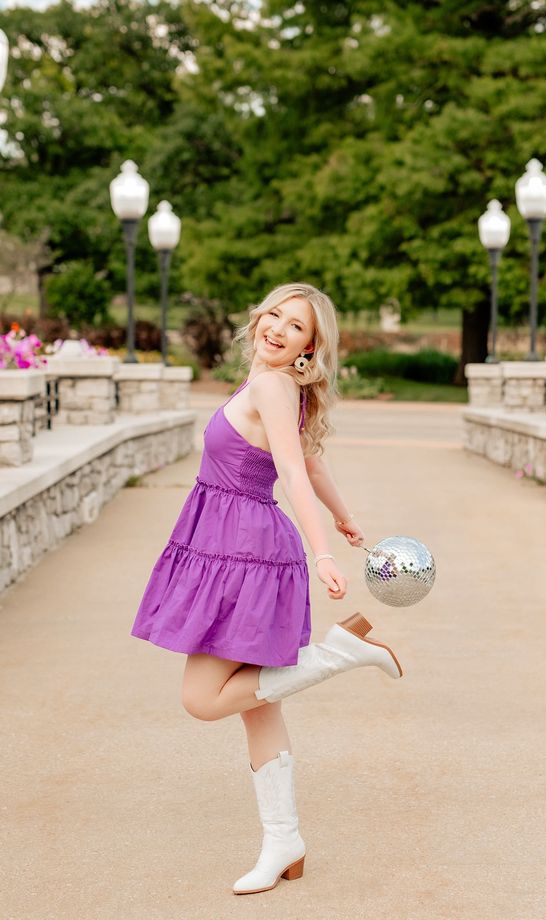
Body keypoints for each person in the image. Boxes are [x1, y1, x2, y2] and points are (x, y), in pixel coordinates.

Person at [131, 282, 402, 895]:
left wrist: (325, 549)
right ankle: (284, 840)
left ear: (311, 347)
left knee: (202, 699)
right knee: (259, 708)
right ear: (258, 318)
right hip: (237, 547)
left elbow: (288, 468)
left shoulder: (271, 385)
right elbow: (311, 462)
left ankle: (340, 652)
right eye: (275, 315)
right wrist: (344, 513)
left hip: (242, 554)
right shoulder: (278, 384)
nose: (278, 329)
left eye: (296, 326)